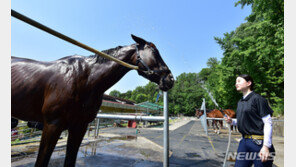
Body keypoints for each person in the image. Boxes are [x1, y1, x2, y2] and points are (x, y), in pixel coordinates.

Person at [224, 74, 275, 167]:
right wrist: (232, 121)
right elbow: (243, 120)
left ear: (249, 83)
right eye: (236, 82)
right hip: (244, 142)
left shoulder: (258, 99)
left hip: (259, 143)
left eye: (239, 81)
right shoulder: (240, 102)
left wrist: (266, 146)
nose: (236, 83)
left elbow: (268, 123)